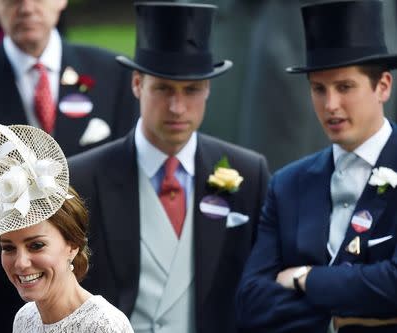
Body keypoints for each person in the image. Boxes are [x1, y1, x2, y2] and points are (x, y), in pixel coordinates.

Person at [69, 3, 269, 333]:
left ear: (208, 89)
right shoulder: (83, 177)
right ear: (137, 84)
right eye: (162, 88)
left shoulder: (249, 173)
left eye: (191, 90)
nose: (177, 107)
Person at [0, 0, 137, 331]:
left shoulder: (114, 74)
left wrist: (70, 263)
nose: (26, 7)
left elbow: (127, 185)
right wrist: (24, 265)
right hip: (7, 297)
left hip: (98, 285)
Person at [235, 1, 397, 332]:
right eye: (318, 89)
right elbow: (251, 302)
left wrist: (305, 278)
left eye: (345, 87)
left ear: (383, 86)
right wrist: (338, 321)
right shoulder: (287, 184)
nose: (330, 104)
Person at [0, 119, 134, 333]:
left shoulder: (104, 325)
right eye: (8, 248)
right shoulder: (25, 318)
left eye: (36, 245)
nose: (20, 263)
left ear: (73, 244)